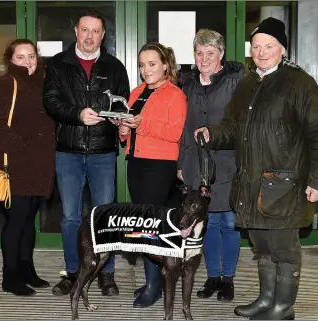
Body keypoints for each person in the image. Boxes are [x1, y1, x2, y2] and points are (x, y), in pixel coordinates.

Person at [195, 17, 318, 320]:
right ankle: (266, 299)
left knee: (283, 248)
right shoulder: (249, 82)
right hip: (252, 181)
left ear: (282, 50)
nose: (261, 53)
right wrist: (214, 134)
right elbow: (232, 125)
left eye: (269, 47)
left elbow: (316, 133)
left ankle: (283, 307)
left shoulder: (300, 83)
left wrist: (316, 177)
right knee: (261, 244)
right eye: (257, 47)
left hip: (287, 184)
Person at [43, 9, 130, 296]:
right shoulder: (58, 64)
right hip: (68, 151)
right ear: (76, 32)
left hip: (103, 152)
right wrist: (78, 114)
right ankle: (72, 272)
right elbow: (51, 102)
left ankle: (106, 272)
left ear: (103, 35)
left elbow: (122, 104)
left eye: (96, 31)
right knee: (69, 217)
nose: (90, 36)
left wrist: (119, 119)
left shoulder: (115, 67)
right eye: (85, 30)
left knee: (104, 216)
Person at [0, 39, 55, 296]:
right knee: (15, 222)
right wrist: (20, 149)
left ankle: (27, 271)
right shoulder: (2, 85)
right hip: (14, 166)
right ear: (10, 61)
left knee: (27, 222)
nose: (28, 61)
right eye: (21, 57)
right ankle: (10, 277)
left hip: (38, 167)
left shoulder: (45, 84)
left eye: (32, 56)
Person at [118, 42, 187, 308]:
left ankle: (154, 285)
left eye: (152, 64)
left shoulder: (175, 95)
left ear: (166, 65)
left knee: (150, 227)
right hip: (136, 163)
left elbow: (175, 133)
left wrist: (142, 124)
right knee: (142, 225)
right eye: (142, 65)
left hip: (159, 166)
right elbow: (130, 131)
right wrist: (124, 129)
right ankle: (154, 280)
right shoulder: (136, 92)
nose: (146, 70)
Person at [178, 29, 244, 302]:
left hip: (228, 164)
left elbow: (241, 125)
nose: (204, 58)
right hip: (196, 164)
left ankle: (228, 279)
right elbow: (184, 128)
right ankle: (212, 276)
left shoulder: (236, 83)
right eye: (199, 53)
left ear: (221, 54)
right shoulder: (188, 85)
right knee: (206, 223)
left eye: (210, 53)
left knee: (228, 223)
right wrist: (181, 163)